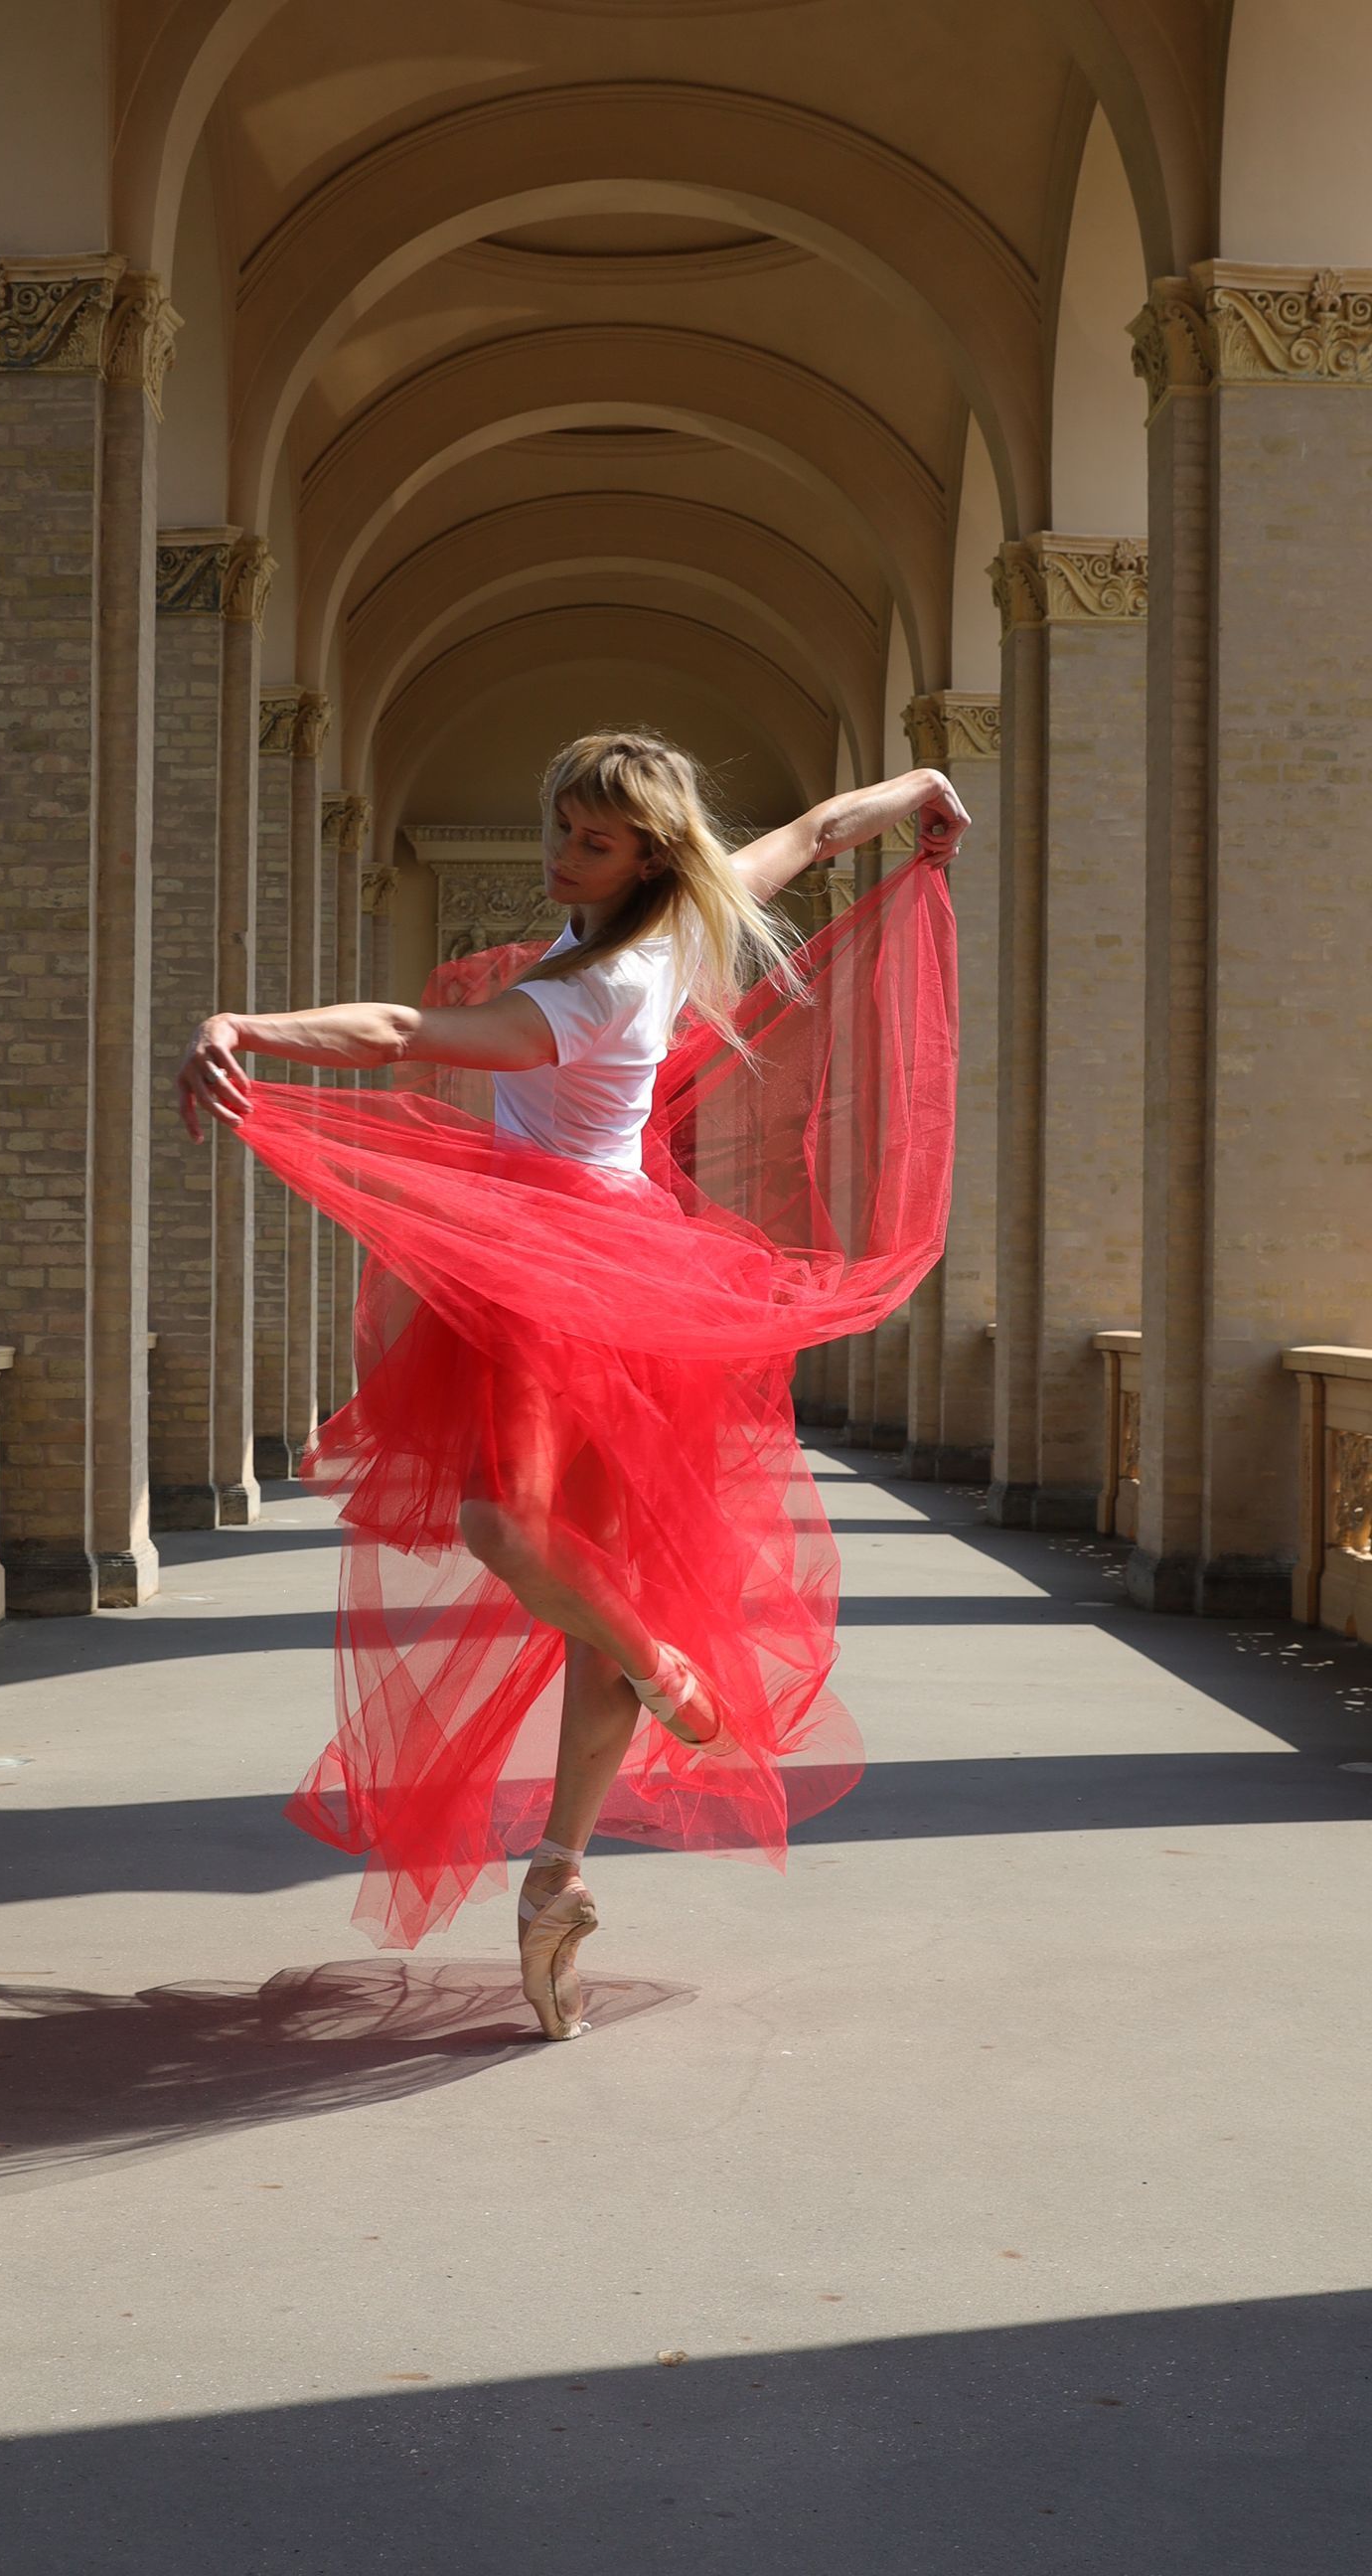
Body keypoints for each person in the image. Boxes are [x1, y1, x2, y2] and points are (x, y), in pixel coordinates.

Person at [176, 733, 967, 2039]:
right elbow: (813, 836)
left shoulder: (603, 986)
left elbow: (394, 1034)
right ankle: (560, 1874)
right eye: (556, 830)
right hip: (581, 1266)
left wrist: (246, 1025)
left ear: (647, 854)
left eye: (590, 842)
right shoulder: (670, 938)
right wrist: (920, 794)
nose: (560, 857)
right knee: (584, 1577)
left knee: (511, 1533)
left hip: (574, 1278)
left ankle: (650, 1678)